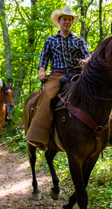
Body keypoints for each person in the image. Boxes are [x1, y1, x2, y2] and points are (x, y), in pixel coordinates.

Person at [25, 6, 91, 150]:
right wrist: (42, 72)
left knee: (93, 92)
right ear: (59, 21)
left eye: (69, 19)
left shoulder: (79, 40)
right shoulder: (50, 40)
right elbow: (43, 59)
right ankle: (38, 135)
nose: (66, 22)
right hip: (56, 75)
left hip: (76, 74)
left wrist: (86, 60)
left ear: (72, 22)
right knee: (46, 96)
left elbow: (87, 55)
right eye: (64, 19)